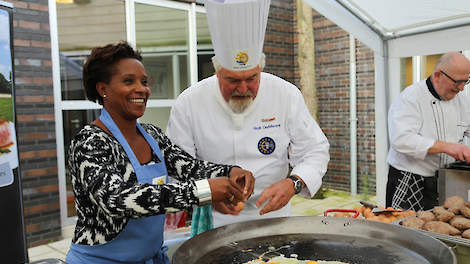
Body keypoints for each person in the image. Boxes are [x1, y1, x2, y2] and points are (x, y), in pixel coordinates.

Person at [65, 42, 254, 264]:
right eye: (128, 81)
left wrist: (231, 171)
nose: (141, 89)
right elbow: (118, 200)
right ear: (103, 89)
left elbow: (190, 167)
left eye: (144, 82)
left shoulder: (152, 135)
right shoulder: (89, 142)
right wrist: (204, 191)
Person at [166, 0, 329, 235]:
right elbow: (176, 167)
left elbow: (315, 150)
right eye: (232, 80)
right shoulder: (189, 102)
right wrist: (207, 195)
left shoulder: (285, 94)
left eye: (252, 78)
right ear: (217, 72)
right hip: (216, 219)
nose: (243, 88)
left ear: (261, 68)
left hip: (274, 215)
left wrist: (293, 183)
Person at [386, 51, 470, 211]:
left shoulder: (462, 101)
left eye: (466, 81)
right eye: (457, 81)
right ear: (438, 75)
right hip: (410, 178)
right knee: (406, 231)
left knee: (441, 228)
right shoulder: (410, 98)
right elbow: (401, 140)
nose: (461, 88)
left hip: (446, 179)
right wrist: (449, 147)